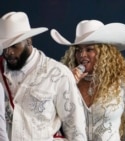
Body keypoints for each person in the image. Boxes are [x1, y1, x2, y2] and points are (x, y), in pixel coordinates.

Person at [50, 19, 125, 141]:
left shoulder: (123, 84)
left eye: (89, 49)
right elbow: (47, 122)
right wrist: (67, 84)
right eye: (78, 50)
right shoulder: (65, 82)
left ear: (104, 52)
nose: (82, 55)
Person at [0, 11, 87, 141]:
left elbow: (76, 130)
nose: (8, 52)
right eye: (4, 47)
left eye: (14, 46)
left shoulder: (59, 74)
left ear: (29, 41)